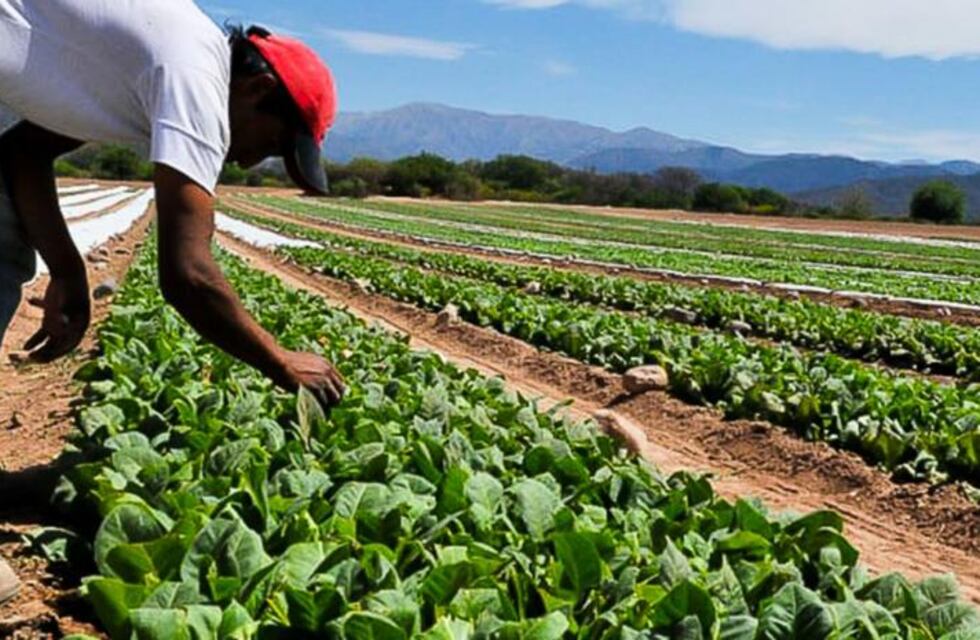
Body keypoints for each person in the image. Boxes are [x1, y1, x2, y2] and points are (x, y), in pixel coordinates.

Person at [0, 0, 346, 606]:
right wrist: (281, 363)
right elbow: (188, 273)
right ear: (258, 87)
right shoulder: (196, 75)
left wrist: (68, 269)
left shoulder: (154, 60)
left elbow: (22, 153)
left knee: (2, 251)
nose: (249, 161)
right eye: (270, 143)